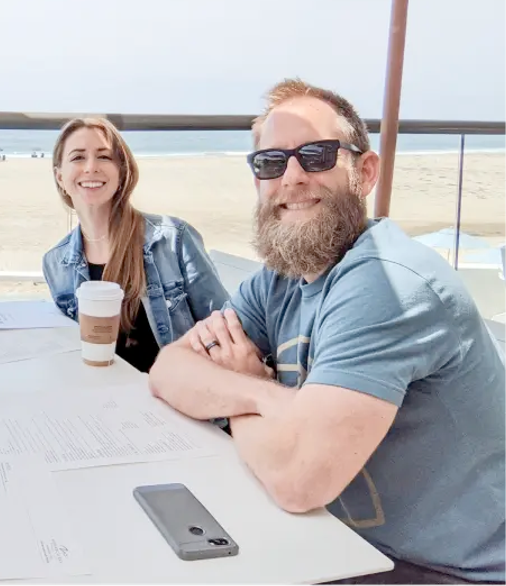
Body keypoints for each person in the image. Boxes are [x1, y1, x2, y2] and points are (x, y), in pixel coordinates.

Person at [148, 79, 506, 585]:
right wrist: (266, 395)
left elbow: (298, 479)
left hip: (447, 569)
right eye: (270, 162)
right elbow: (170, 369)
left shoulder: (388, 283)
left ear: (364, 172)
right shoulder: (280, 279)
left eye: (315, 155)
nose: (291, 177)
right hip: (344, 541)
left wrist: (235, 396)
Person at [42, 116, 229, 373]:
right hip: (99, 397)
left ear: (122, 170)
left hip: (176, 398)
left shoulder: (173, 239)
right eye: (77, 157)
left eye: (104, 157)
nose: (91, 167)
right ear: (60, 176)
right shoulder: (55, 262)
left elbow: (222, 330)